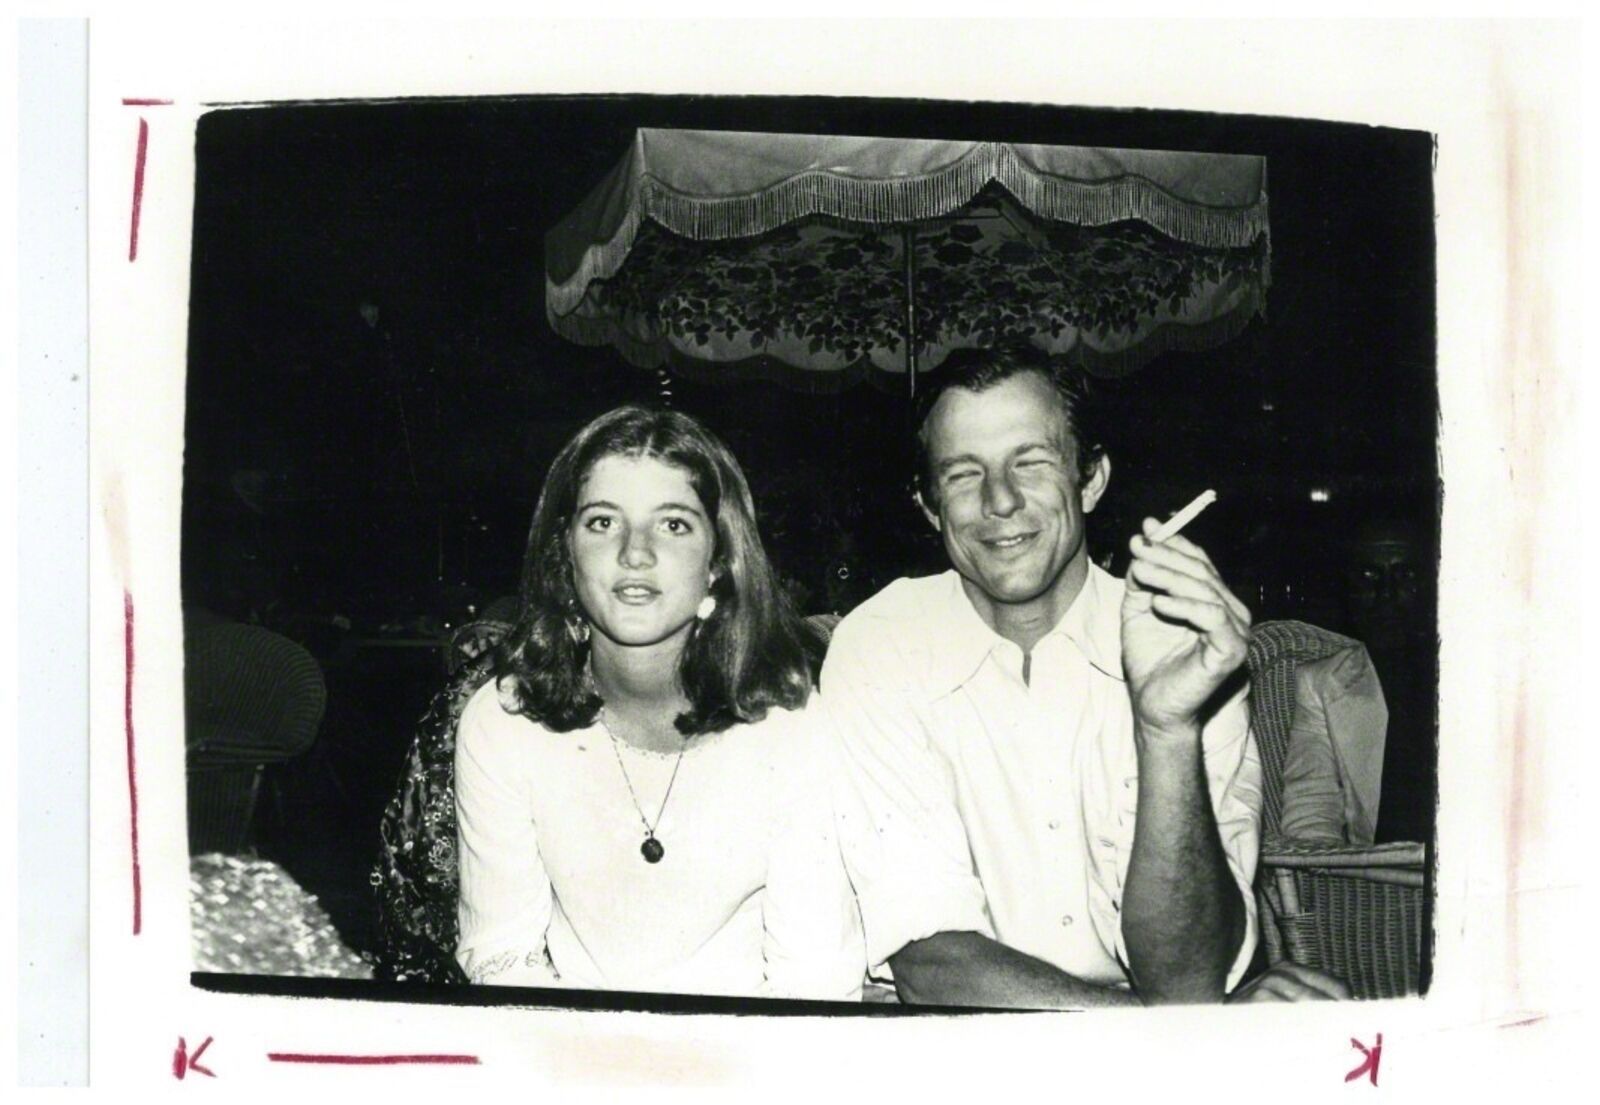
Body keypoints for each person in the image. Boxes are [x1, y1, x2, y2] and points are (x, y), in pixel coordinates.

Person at [822, 350, 1347, 1007]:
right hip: (957, 1046)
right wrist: (1177, 1033)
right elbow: (933, 961)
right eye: (963, 474)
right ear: (930, 507)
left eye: (1031, 462)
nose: (1000, 500)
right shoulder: (882, 643)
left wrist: (1167, 728)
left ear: (1091, 479)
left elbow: (1187, 977)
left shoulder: (1183, 643)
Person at [451, 405, 864, 999]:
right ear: (565, 555)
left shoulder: (793, 725)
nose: (634, 553)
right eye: (601, 523)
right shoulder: (504, 723)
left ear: (719, 562)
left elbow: (815, 979)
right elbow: (502, 955)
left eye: (672, 525)